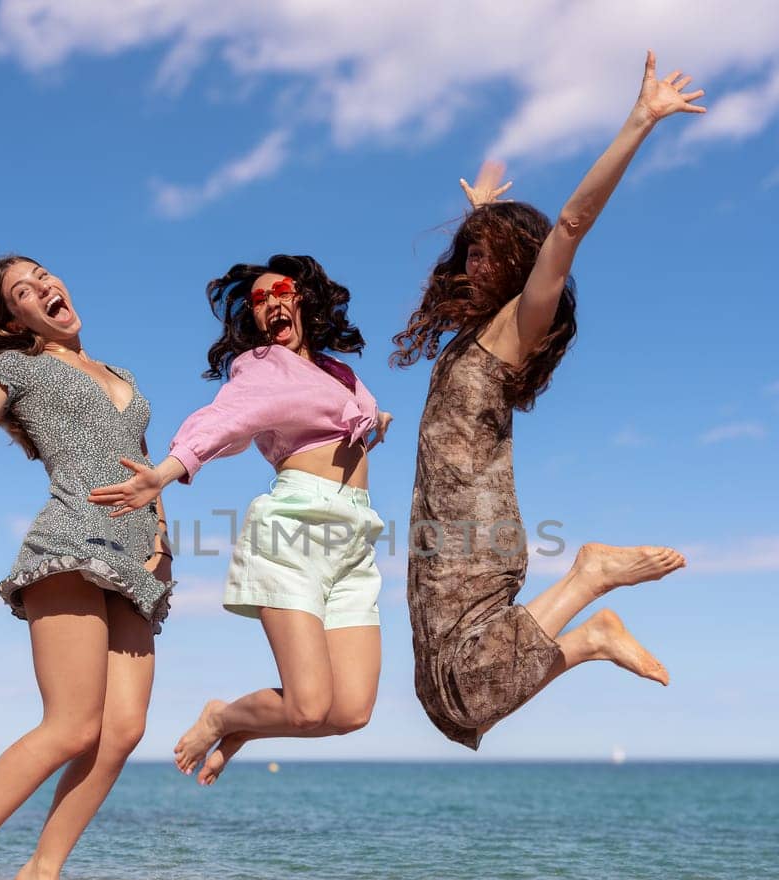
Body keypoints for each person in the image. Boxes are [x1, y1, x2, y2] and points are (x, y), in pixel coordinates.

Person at [393, 52, 702, 750]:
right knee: (446, 704)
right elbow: (497, 248)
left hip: (475, 529)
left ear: (521, 263)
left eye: (486, 252)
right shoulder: (477, 331)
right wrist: (483, 215)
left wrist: (640, 120)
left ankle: (589, 577)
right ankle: (590, 639)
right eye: (466, 252)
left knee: (468, 689)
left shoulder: (517, 327)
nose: (470, 261)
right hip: (436, 532)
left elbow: (568, 225)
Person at [0, 255, 173, 880]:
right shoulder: (20, 370)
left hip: (134, 558)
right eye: (23, 292)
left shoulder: (124, 377)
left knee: (121, 729)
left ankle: (43, 865)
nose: (44, 289)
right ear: (13, 320)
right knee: (71, 724)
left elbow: (144, 466)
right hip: (68, 545)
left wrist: (164, 539)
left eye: (44, 276)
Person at [90, 254, 392, 785]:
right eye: (258, 300)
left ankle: (247, 726)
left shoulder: (338, 373)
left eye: (283, 291)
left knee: (351, 712)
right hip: (294, 528)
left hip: (354, 537)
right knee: (307, 706)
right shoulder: (261, 367)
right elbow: (226, 419)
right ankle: (223, 717)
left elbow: (345, 413)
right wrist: (164, 473)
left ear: (306, 299)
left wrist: (375, 420)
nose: (272, 303)